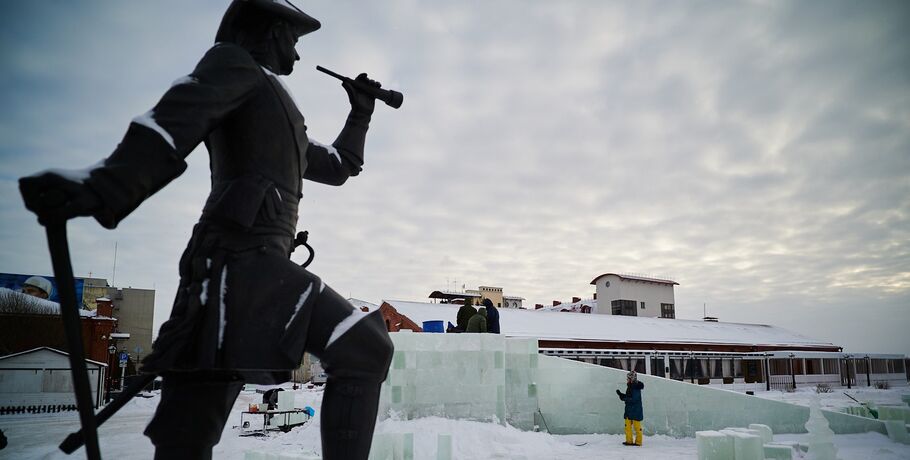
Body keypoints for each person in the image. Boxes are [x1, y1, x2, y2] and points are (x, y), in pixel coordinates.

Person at [19, 1, 393, 459]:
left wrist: (360, 114)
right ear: (273, 32)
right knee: (366, 347)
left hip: (247, 269)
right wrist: (102, 186)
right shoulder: (233, 64)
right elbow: (171, 124)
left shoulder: (281, 109)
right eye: (293, 40)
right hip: (238, 263)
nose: (296, 54)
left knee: (189, 432)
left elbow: (337, 167)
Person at [616, 370, 644, 446]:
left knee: (637, 427)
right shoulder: (630, 386)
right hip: (629, 410)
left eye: (628, 378)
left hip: (635, 411)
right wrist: (622, 395)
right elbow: (629, 397)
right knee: (627, 427)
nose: (627, 380)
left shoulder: (636, 388)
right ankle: (629, 441)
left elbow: (634, 399)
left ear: (632, 379)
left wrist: (623, 398)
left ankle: (638, 442)